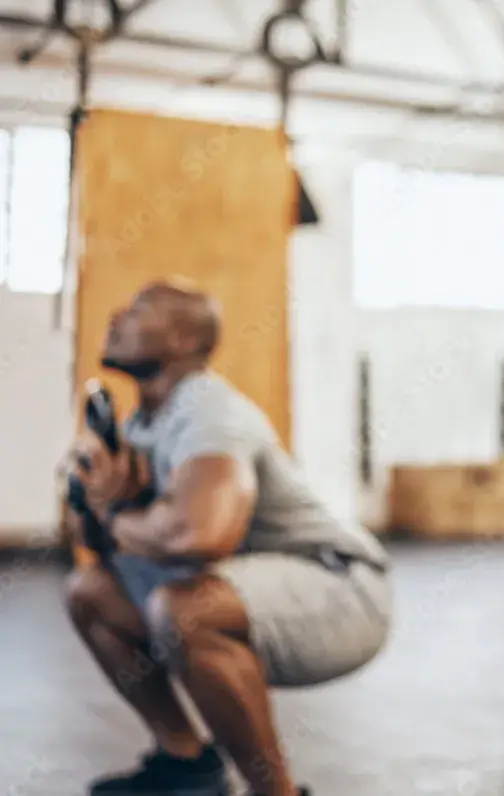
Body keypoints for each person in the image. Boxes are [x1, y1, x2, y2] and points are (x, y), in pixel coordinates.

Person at [66, 280, 392, 796]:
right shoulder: (141, 425)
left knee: (186, 609)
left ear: (182, 338)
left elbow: (200, 535)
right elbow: (98, 545)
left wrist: (110, 512)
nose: (116, 316)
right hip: (254, 585)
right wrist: (89, 495)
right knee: (91, 592)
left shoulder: (208, 412)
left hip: (343, 590)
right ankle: (188, 768)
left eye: (138, 309)